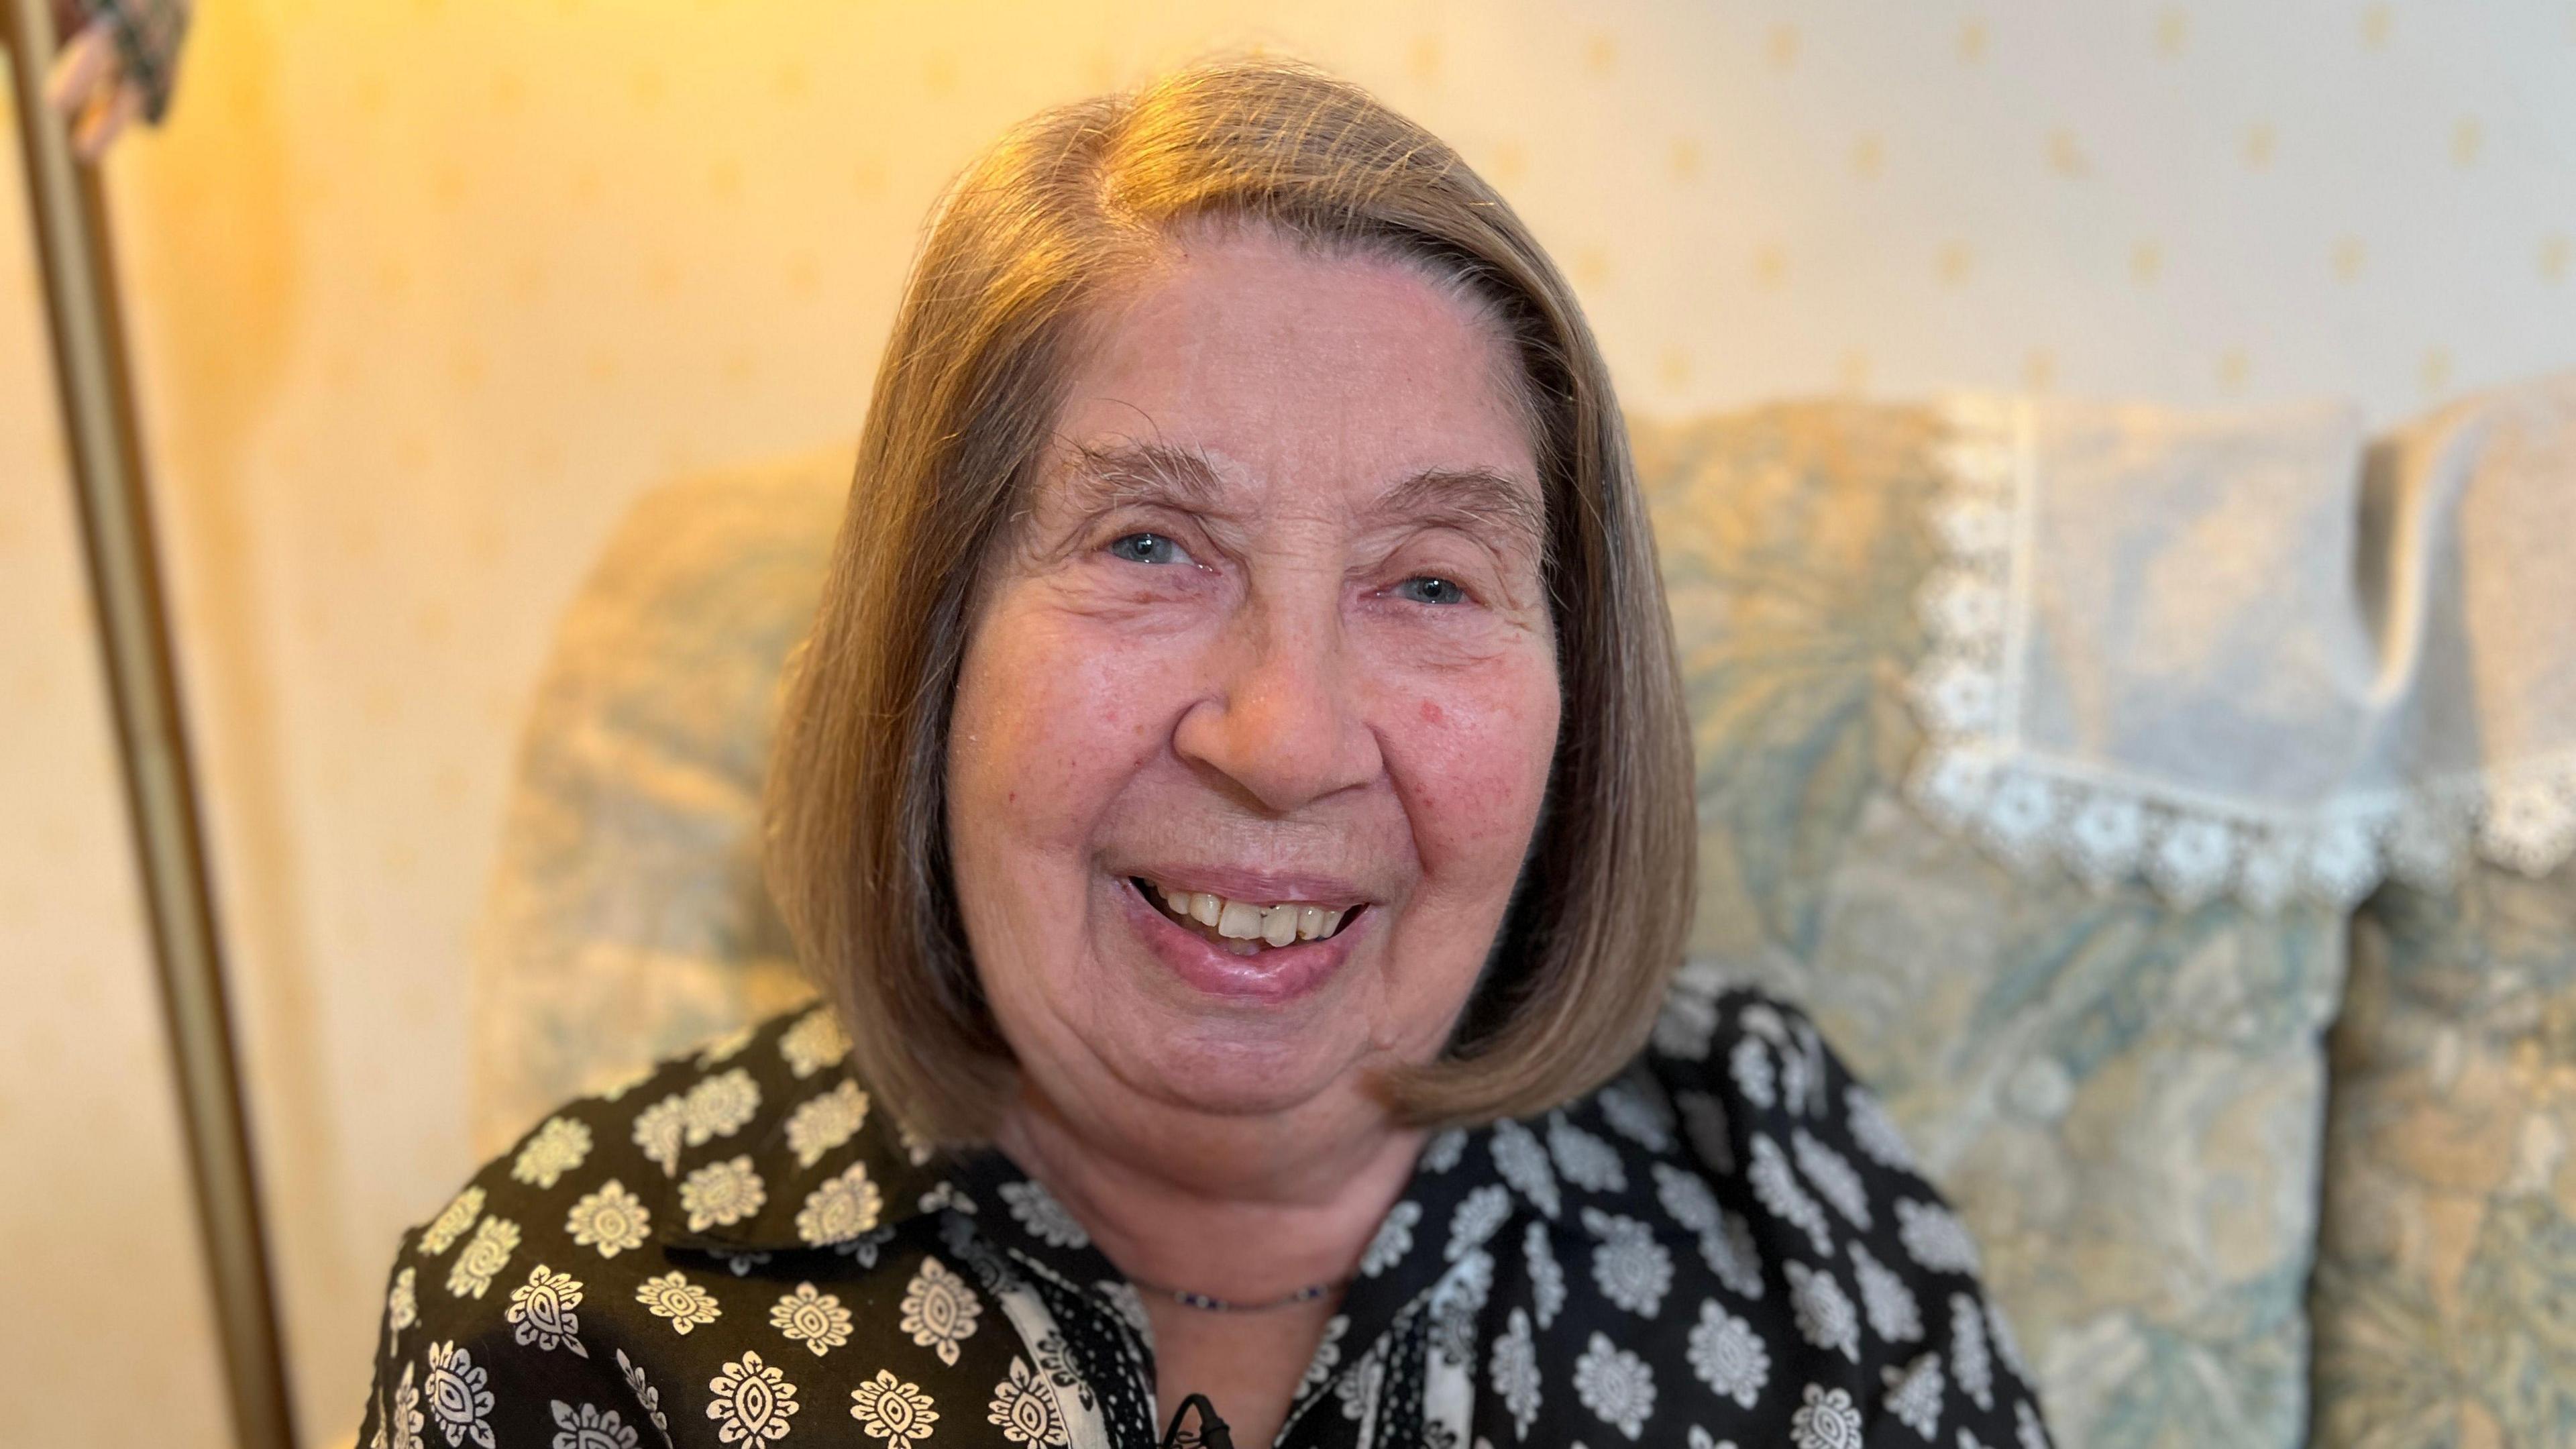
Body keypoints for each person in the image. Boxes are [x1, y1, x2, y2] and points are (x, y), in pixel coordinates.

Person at [361, 58, 2054, 1449]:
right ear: (934, 647)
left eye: (1430, 580)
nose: (1288, 738)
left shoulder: (1771, 1165)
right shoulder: (567, 1318)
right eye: (1150, 547)